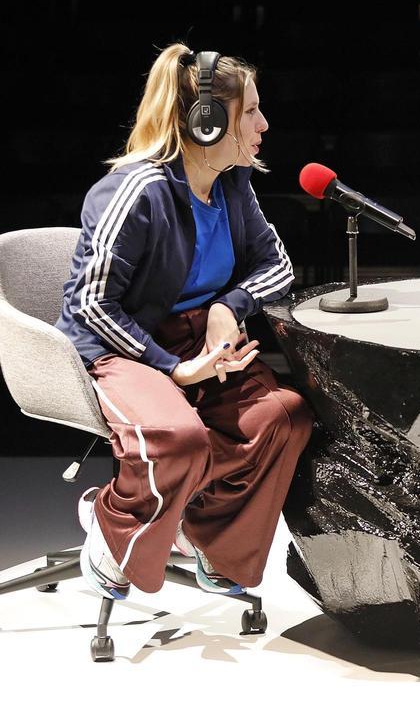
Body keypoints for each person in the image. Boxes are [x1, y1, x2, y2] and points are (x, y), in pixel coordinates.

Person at [56, 44, 313, 601]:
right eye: (251, 111)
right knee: (178, 440)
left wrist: (228, 306)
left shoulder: (231, 183)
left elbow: (277, 265)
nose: (264, 125)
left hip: (195, 338)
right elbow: (92, 305)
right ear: (206, 122)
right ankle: (111, 520)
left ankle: (203, 536)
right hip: (119, 347)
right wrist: (172, 368)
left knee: (283, 418)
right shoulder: (136, 192)